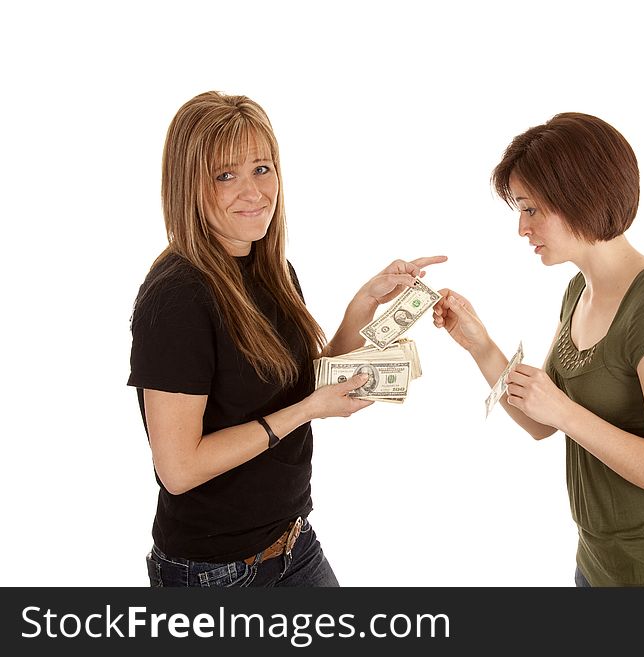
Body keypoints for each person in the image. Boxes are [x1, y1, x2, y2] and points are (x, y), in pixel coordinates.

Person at [128, 91, 445, 587]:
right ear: (188, 185)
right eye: (225, 175)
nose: (255, 192)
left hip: (293, 545)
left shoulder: (268, 267)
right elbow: (179, 468)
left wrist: (365, 302)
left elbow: (295, 384)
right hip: (214, 574)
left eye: (262, 168)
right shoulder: (176, 299)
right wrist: (306, 412)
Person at [433, 113, 644, 587]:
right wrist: (479, 343)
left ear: (579, 199)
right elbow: (540, 421)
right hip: (597, 563)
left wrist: (566, 413)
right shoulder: (578, 290)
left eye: (531, 209)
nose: (522, 229)